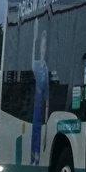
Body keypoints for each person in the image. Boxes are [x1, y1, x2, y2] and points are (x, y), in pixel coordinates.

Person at [30, 22, 49, 164]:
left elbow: (47, 91)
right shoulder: (35, 64)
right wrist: (35, 38)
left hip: (42, 106)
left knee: (39, 130)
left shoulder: (45, 68)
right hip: (35, 105)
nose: (43, 50)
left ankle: (37, 157)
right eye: (41, 47)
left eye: (45, 47)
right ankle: (33, 156)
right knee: (35, 131)